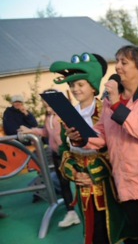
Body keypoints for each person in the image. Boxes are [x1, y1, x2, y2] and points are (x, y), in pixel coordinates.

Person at [65, 47, 138, 244]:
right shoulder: (110, 100)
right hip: (126, 182)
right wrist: (80, 137)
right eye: (117, 61)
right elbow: (102, 133)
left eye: (124, 62)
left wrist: (117, 103)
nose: (117, 66)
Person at [49, 53, 138, 244]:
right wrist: (74, 172)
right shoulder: (67, 114)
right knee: (94, 233)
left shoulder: (104, 111)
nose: (75, 89)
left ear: (92, 86)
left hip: (111, 185)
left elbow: (115, 145)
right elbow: (64, 149)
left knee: (127, 230)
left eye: (80, 85)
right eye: (72, 85)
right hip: (83, 188)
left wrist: (93, 173)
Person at [18, 89, 80, 228]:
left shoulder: (65, 116)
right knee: (63, 184)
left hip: (70, 154)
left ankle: (85, 210)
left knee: (78, 181)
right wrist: (31, 130)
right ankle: (71, 213)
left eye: (49, 105)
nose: (47, 109)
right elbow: (47, 132)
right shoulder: (49, 117)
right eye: (45, 106)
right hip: (56, 154)